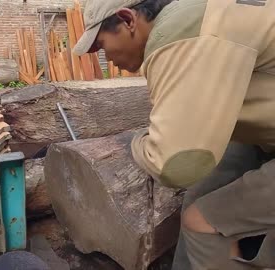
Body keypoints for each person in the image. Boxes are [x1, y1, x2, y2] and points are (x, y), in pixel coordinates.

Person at [73, 0, 275, 269]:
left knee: (201, 222)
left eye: (100, 45)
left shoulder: (180, 35)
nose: (104, 56)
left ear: (128, 19)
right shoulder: (194, 18)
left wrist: (135, 143)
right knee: (198, 196)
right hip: (264, 138)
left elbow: (176, 165)